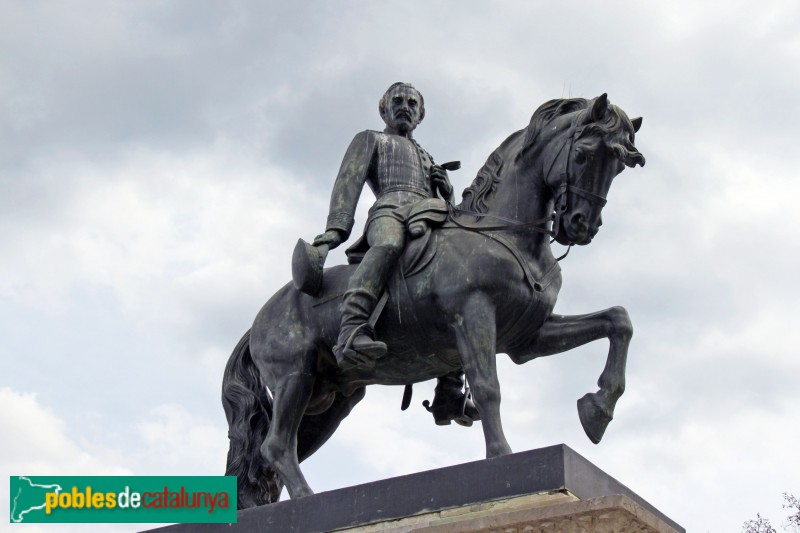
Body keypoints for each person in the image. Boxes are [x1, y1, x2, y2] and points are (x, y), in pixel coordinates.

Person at [314, 82, 478, 425]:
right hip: (389, 211)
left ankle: (450, 388)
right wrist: (334, 232)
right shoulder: (372, 139)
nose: (405, 106)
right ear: (384, 110)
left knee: (463, 276)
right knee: (388, 244)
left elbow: (444, 203)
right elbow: (348, 184)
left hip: (430, 215)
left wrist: (445, 191)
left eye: (412, 103)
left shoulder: (428, 156)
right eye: (397, 101)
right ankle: (352, 327)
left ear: (420, 114)